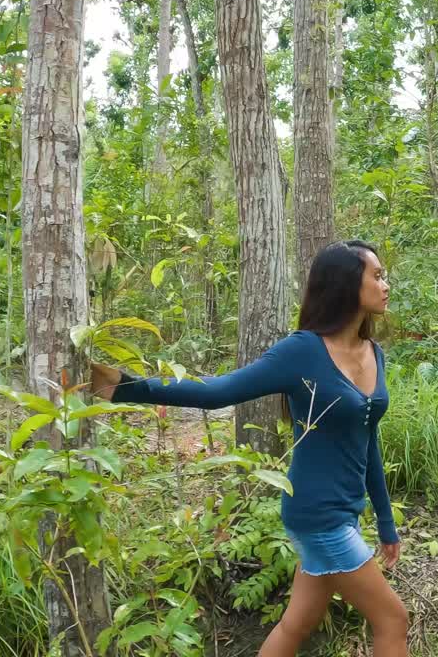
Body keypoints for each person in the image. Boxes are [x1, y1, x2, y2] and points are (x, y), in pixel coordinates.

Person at [90, 240, 408, 657]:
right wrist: (125, 387)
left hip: (345, 511)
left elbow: (369, 440)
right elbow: (218, 392)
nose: (386, 284)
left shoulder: (374, 354)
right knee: (392, 619)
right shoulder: (303, 351)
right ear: (347, 284)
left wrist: (385, 520)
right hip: (318, 515)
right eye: (377, 275)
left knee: (296, 625)